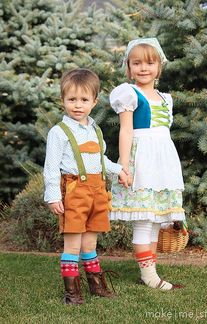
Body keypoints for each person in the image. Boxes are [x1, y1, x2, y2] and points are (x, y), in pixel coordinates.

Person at [43, 68, 128, 305]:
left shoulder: (95, 130)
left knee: (90, 242)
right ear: (63, 101)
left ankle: (96, 285)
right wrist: (52, 195)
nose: (77, 105)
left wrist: (119, 170)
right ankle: (72, 293)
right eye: (72, 99)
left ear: (94, 101)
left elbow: (102, 160)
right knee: (73, 243)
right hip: (74, 192)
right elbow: (51, 167)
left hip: (97, 191)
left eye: (84, 100)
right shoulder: (59, 133)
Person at [109, 38, 185, 290]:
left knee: (153, 220)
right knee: (144, 220)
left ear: (159, 67)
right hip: (141, 159)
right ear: (128, 67)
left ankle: (150, 273)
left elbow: (163, 134)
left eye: (150, 63)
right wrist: (125, 167)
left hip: (162, 161)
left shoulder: (165, 99)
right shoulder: (129, 94)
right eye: (136, 63)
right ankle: (149, 276)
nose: (143, 68)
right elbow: (126, 132)